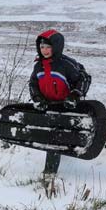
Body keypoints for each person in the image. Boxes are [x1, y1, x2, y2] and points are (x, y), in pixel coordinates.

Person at [29, 29, 89, 176]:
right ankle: (51, 169)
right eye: (42, 47)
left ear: (56, 47)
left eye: (48, 47)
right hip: (48, 107)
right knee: (52, 138)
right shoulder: (39, 66)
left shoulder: (66, 64)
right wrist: (37, 98)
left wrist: (74, 96)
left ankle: (50, 173)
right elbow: (33, 84)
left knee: (55, 139)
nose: (45, 50)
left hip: (67, 107)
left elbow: (84, 78)